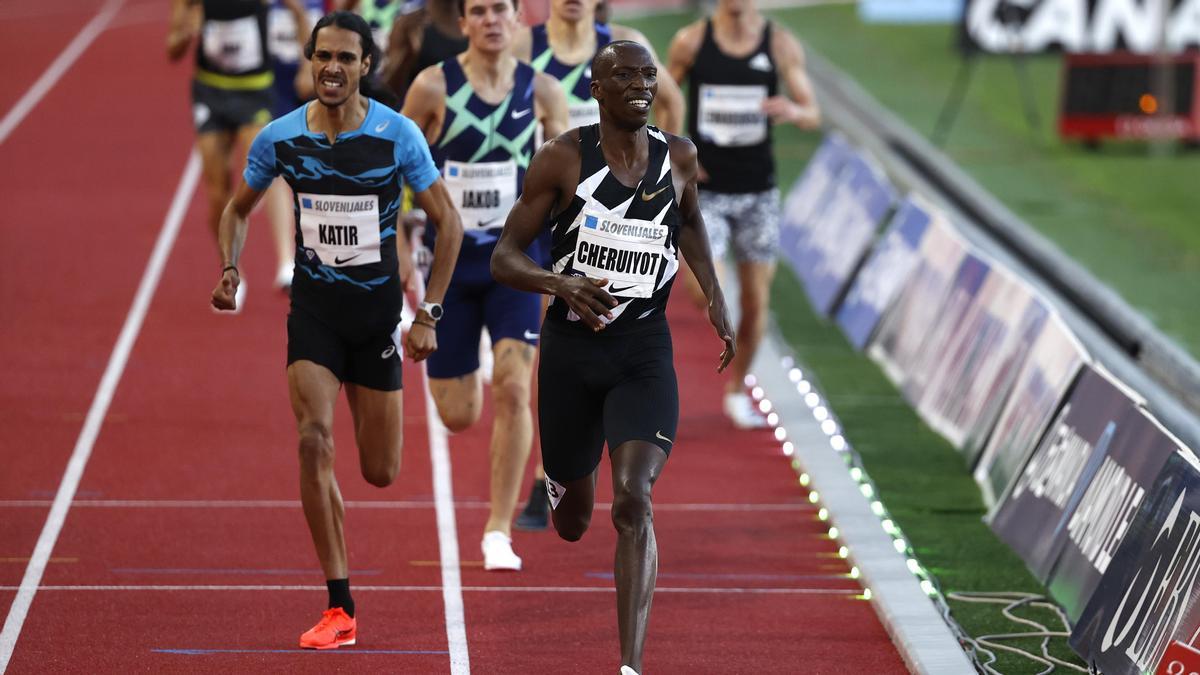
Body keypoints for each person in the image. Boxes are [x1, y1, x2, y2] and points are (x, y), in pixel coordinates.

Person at [210, 11, 463, 649]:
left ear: (364, 67)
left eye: (345, 59)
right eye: (323, 56)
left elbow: (448, 224)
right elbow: (236, 210)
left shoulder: (398, 135)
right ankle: (339, 604)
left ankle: (340, 579)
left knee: (380, 471)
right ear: (310, 59)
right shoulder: (280, 138)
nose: (331, 68)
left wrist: (428, 311)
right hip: (315, 315)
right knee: (313, 440)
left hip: (376, 318)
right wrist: (231, 267)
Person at [490, 40, 735, 674]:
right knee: (573, 519)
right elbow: (505, 257)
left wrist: (714, 296)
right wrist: (560, 283)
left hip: (643, 353)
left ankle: (629, 664)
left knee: (633, 499)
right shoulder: (562, 159)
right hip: (572, 352)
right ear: (597, 89)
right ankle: (560, 477)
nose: (641, 85)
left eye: (648, 76)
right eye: (624, 76)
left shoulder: (679, 156)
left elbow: (691, 224)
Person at [402, 0, 569, 570]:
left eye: (502, 8)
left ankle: (499, 530)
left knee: (516, 385)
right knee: (458, 415)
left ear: (519, 17)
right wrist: (403, 247)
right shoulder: (432, 88)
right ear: (465, 23)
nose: (492, 19)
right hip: (448, 266)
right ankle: (468, 354)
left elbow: (572, 179)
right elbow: (399, 167)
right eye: (480, 10)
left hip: (516, 262)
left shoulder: (542, 91)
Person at [667, 0, 820, 428]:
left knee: (757, 304)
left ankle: (737, 390)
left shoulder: (780, 45)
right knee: (703, 289)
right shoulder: (692, 42)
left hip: (758, 195)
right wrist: (679, 154)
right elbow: (661, 99)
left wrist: (793, 110)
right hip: (706, 193)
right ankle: (722, 327)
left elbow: (813, 112)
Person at [168, 0, 310, 303]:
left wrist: (305, 65)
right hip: (211, 92)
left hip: (254, 89)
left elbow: (297, 13)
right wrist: (185, 33)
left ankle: (287, 263)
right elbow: (173, 49)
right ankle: (232, 269)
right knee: (218, 190)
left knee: (269, 169)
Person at [513, 0, 684, 134]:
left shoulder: (627, 44)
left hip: (613, 177)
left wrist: (663, 166)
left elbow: (672, 102)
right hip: (547, 176)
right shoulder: (517, 46)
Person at [379, 0, 468, 102]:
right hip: (416, 110)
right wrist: (407, 57)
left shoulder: (480, 24)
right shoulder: (409, 24)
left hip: (465, 111)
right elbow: (388, 88)